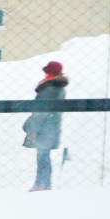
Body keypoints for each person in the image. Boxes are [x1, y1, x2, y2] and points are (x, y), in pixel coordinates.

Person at [23, 61, 66, 190]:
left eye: (47, 71)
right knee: (44, 155)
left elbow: (41, 112)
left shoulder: (49, 88)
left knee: (42, 156)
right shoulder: (58, 87)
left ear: (50, 73)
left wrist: (33, 129)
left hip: (43, 128)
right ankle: (45, 183)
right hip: (51, 128)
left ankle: (41, 183)